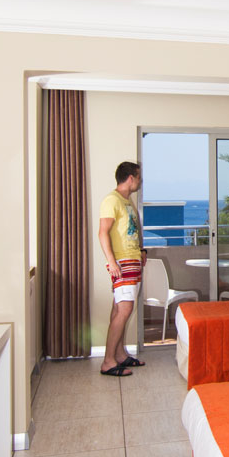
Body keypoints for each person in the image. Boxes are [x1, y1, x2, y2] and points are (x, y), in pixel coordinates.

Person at [98, 161, 147, 376]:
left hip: (132, 260)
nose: (140, 181)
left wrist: (142, 250)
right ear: (130, 178)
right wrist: (111, 261)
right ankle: (108, 361)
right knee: (124, 310)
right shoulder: (112, 200)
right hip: (123, 262)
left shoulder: (126, 202)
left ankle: (118, 355)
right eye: (138, 177)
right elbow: (103, 232)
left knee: (119, 309)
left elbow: (131, 231)